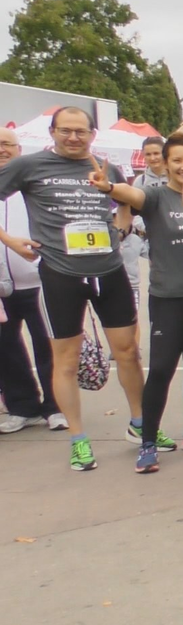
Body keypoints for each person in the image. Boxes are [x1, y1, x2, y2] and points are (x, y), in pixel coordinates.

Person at [0, 107, 146, 471]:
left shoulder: (104, 166)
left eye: (81, 131)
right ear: (53, 132)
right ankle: (79, 440)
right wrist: (9, 241)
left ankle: (142, 426)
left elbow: (125, 199)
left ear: (92, 134)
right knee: (65, 359)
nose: (73, 138)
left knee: (127, 352)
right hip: (61, 274)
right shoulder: (29, 166)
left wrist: (122, 225)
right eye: (66, 131)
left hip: (109, 271)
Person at [90, 132, 183, 473]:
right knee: (162, 369)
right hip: (169, 299)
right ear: (164, 164)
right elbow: (129, 194)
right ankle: (147, 441)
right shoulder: (154, 196)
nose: (182, 166)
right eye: (175, 160)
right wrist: (108, 187)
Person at [0, 126, 64, 434]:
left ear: (19, 149)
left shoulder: (31, 183)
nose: (2, 149)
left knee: (48, 347)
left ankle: (55, 406)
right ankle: (22, 407)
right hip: (2, 290)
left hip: (40, 282)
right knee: (6, 349)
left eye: (7, 144)